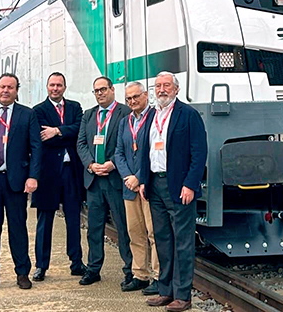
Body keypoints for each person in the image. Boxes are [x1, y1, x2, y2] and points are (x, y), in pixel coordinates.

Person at [139, 72, 207, 312]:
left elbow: (199, 153)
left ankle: (183, 295)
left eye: (166, 85)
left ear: (176, 89)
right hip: (154, 186)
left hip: (179, 187)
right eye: (158, 86)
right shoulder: (151, 116)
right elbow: (144, 151)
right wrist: (143, 180)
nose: (161, 90)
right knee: (163, 241)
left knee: (183, 242)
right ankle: (165, 290)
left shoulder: (188, 115)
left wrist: (191, 184)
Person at [0, 73, 42, 290]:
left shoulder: (27, 114)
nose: (6, 90)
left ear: (16, 91)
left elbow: (36, 148)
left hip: (16, 181)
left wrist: (33, 176)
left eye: (10, 87)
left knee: (18, 228)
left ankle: (22, 272)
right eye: (2, 86)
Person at [76, 76, 133, 287]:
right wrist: (91, 164)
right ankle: (93, 269)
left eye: (103, 89)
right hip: (93, 180)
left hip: (115, 179)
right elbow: (81, 143)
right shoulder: (89, 115)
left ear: (112, 90)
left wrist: (112, 164)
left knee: (123, 226)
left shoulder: (124, 113)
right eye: (96, 91)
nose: (100, 93)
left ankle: (130, 270)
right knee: (94, 228)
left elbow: (128, 143)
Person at [31, 72, 86, 281]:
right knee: (45, 222)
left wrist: (57, 131)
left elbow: (79, 130)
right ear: (47, 87)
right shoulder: (38, 111)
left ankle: (77, 262)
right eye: (52, 85)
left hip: (71, 172)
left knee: (74, 219)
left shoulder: (75, 107)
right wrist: (65, 134)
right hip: (48, 174)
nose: (56, 88)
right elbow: (42, 138)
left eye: (59, 85)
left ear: (64, 87)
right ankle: (41, 266)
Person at [113, 81, 159, 295]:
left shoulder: (155, 118)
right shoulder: (125, 122)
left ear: (146, 95)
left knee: (154, 233)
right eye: (128, 98)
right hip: (129, 187)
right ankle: (140, 274)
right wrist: (127, 177)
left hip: (148, 186)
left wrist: (139, 178)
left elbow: (154, 153)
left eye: (136, 97)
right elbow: (118, 153)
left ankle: (159, 276)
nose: (132, 101)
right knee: (135, 233)